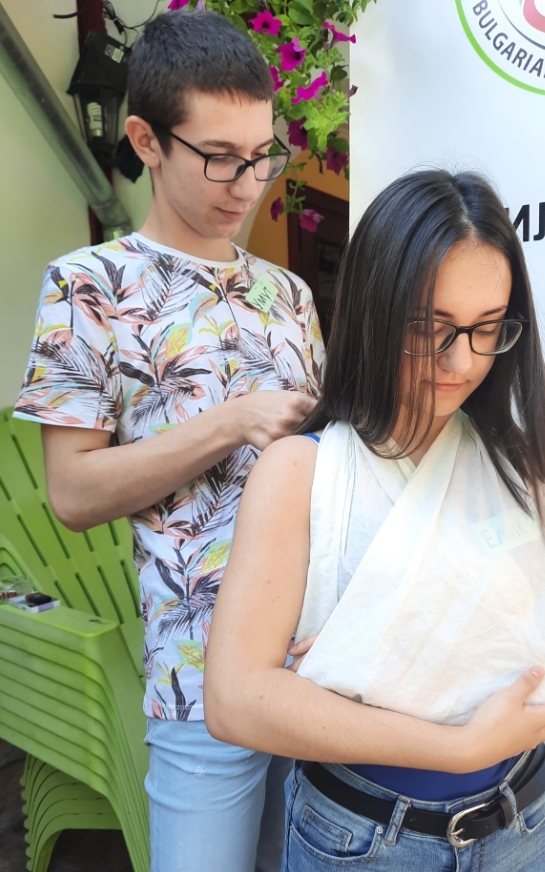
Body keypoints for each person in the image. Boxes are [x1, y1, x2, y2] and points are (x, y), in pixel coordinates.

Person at [203, 170, 545, 871]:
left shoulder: (514, 461)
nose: (461, 361)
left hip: (525, 819)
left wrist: (376, 652)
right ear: (374, 310)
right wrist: (457, 741)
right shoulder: (303, 473)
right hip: (367, 839)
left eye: (487, 328)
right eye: (429, 327)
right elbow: (236, 701)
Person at [14, 10, 323, 872]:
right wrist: (229, 422)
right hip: (197, 680)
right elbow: (74, 495)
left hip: (317, 665)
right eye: (219, 156)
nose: (246, 183)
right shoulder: (88, 286)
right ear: (146, 140)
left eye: (261, 155)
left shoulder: (290, 295)